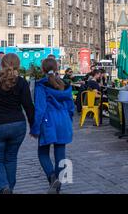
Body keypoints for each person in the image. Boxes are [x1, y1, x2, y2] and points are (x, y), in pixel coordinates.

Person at [30, 58, 75, 194]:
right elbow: (71, 107)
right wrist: (69, 121)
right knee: (60, 154)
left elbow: (40, 108)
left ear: (43, 69)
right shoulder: (65, 85)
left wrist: (35, 128)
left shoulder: (41, 85)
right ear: (57, 68)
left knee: (43, 152)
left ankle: (52, 177)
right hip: (63, 120)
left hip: (48, 121)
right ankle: (57, 186)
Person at [0, 54, 35, 194]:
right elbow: (28, 106)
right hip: (17, 125)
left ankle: (3, 187)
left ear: (1, 64)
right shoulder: (21, 82)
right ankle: (9, 188)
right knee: (11, 158)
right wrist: (33, 126)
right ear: (18, 64)